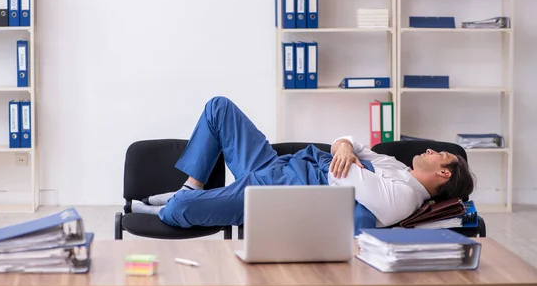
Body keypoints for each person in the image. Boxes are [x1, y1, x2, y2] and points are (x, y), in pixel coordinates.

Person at [132, 96, 475, 230]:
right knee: (218, 108)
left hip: (284, 189)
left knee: (182, 211)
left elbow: (341, 177)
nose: (429, 151)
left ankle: (174, 201)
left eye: (437, 154)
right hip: (282, 164)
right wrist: (345, 149)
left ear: (443, 173)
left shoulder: (404, 196)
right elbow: (347, 144)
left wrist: (346, 154)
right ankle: (190, 185)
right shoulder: (396, 168)